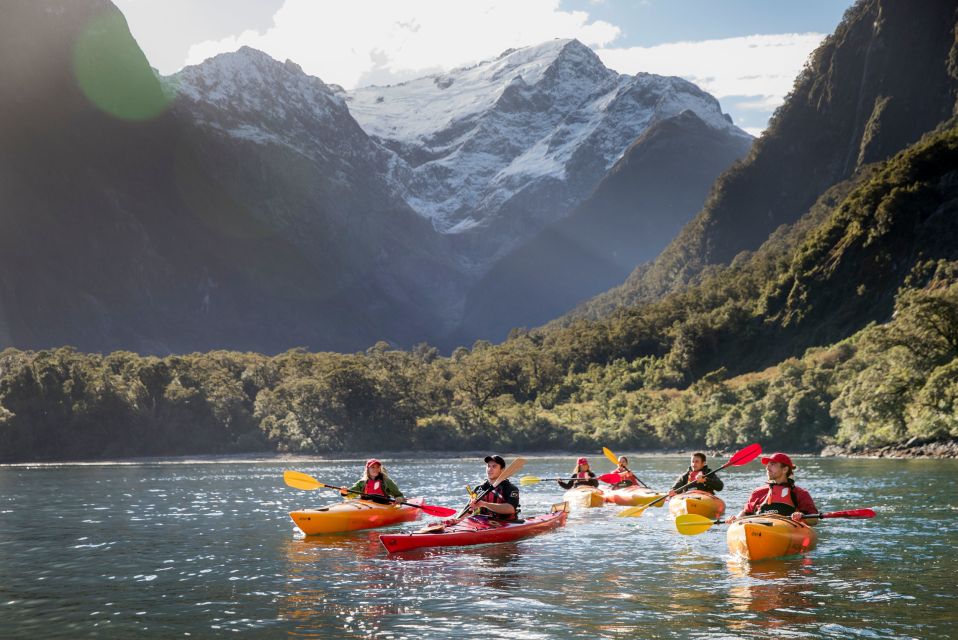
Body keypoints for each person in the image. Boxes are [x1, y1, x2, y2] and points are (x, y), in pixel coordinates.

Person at [726, 452, 817, 524]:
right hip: (759, 529)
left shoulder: (800, 493)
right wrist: (736, 519)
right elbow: (746, 513)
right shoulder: (758, 492)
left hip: (787, 529)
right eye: (767, 465)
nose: (767, 467)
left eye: (772, 464)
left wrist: (801, 516)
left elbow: (814, 520)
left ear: (785, 469)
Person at [469, 454, 520, 520]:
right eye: (488, 466)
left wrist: (484, 504)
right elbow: (469, 510)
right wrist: (457, 520)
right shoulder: (479, 488)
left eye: (494, 466)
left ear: (502, 470)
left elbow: (510, 509)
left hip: (505, 523)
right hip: (481, 523)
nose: (490, 469)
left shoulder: (510, 488)